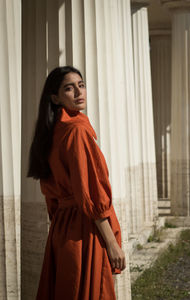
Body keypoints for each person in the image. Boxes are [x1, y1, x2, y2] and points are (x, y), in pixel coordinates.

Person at [27, 65, 126, 300]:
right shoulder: (76, 132)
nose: (79, 92)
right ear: (55, 97)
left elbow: (50, 195)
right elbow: (90, 192)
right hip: (85, 229)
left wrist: (58, 225)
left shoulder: (49, 134)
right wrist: (111, 243)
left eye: (81, 85)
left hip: (61, 230)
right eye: (69, 88)